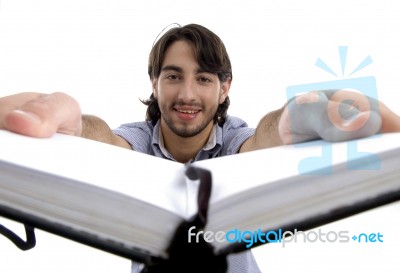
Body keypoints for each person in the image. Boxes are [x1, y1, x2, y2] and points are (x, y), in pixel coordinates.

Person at [1, 24, 400, 273]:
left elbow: (260, 139)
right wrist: (74, 129)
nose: (187, 94)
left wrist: (292, 117)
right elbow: (108, 142)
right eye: (173, 76)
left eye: (204, 79)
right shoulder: (137, 139)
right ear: (154, 83)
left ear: (225, 87)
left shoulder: (234, 138)